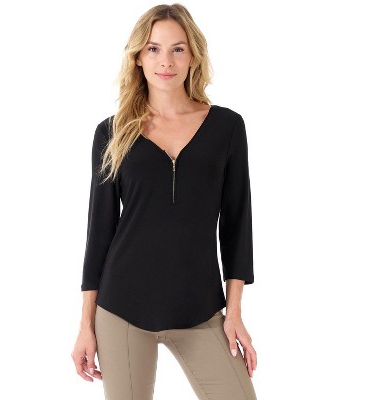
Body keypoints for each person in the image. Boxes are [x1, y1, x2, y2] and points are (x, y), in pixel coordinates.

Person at [71, 4, 258, 400]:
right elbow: (99, 232)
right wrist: (86, 325)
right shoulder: (112, 132)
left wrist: (235, 312)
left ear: (193, 56)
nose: (166, 62)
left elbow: (237, 224)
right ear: (138, 57)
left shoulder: (227, 127)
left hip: (200, 309)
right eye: (153, 49)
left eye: (178, 49)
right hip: (121, 309)